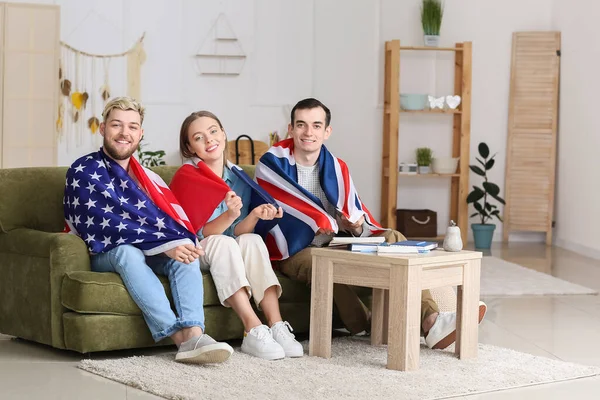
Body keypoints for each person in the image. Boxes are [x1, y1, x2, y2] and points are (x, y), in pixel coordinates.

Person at [253, 98, 487, 349]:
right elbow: (286, 210)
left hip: (335, 239)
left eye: (316, 125)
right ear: (290, 129)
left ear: (327, 131)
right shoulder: (272, 163)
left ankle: (432, 320)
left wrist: (354, 226)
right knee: (322, 260)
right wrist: (318, 222)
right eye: (301, 125)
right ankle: (367, 322)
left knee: (394, 237)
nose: (308, 132)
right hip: (294, 248)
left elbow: (354, 213)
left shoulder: (336, 166)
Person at [63, 97, 233, 364]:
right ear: (103, 128)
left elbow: (160, 222)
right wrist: (165, 245)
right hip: (103, 250)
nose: (124, 133)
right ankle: (180, 339)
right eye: (117, 125)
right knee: (127, 253)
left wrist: (175, 244)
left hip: (146, 246)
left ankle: (195, 332)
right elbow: (100, 223)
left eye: (132, 127)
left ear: (140, 134)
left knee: (184, 253)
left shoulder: (147, 177)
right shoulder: (84, 169)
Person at [169, 111, 304, 360]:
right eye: (199, 137)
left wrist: (254, 215)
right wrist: (229, 216)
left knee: (252, 240)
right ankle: (252, 328)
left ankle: (276, 325)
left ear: (223, 134)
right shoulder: (187, 178)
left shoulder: (239, 177)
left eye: (213, 131)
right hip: (197, 250)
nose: (209, 140)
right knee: (222, 242)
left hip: (227, 244)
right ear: (190, 147)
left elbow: (239, 232)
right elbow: (197, 233)